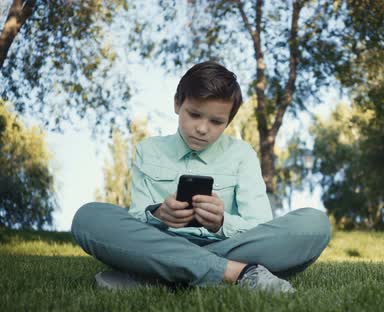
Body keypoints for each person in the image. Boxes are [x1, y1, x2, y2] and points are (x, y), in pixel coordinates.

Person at [71, 61, 331, 294]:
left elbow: (260, 226)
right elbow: (136, 218)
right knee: (89, 217)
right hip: (160, 242)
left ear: (228, 121)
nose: (203, 128)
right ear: (177, 104)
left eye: (216, 121)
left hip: (224, 246)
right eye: (194, 114)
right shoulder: (148, 150)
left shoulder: (242, 154)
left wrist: (221, 223)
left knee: (315, 224)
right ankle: (237, 273)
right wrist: (159, 215)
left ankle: (154, 275)